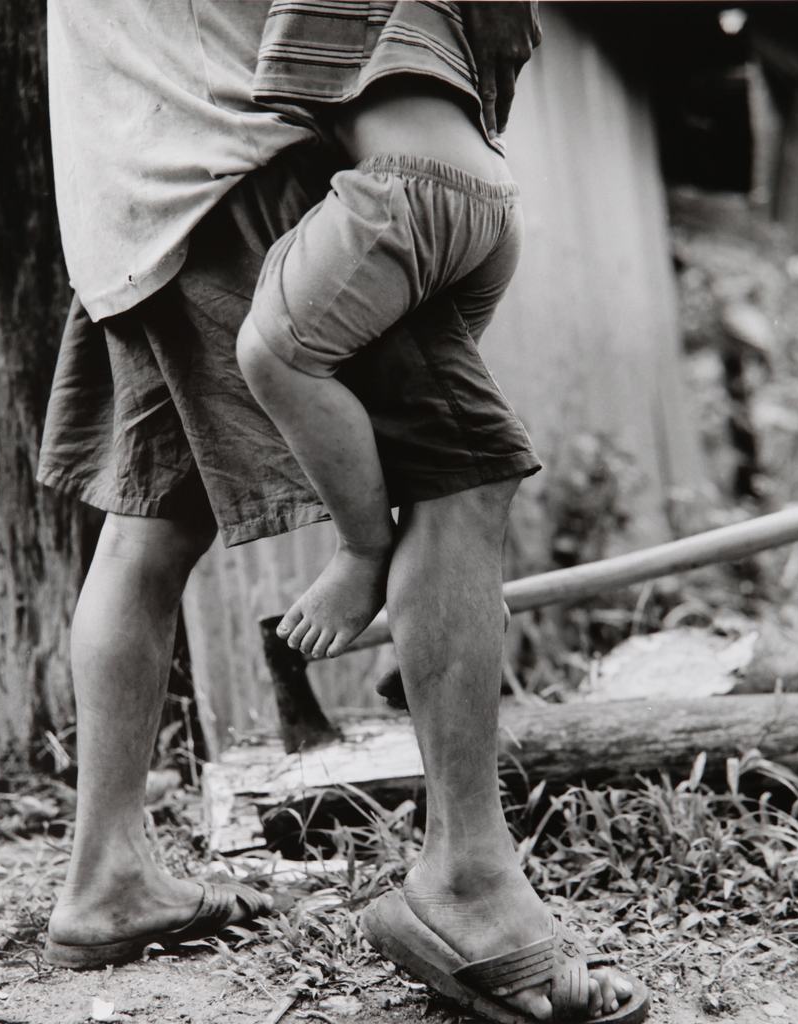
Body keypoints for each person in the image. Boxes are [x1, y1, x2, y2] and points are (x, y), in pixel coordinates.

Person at [37, 2, 646, 1020]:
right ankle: (469, 884)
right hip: (245, 166)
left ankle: (109, 873)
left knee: (149, 529)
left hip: (127, 196)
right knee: (461, 476)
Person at [236, 1, 524, 661]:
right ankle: (460, 602)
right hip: (491, 199)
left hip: (410, 186)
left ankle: (362, 554)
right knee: (428, 447)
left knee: (275, 354)